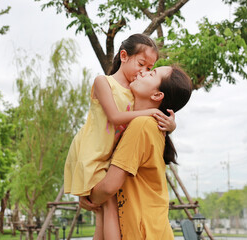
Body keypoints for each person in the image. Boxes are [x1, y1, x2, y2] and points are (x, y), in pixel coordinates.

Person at [64, 34, 176, 240]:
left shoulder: (136, 92)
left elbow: (152, 106)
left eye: (149, 69)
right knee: (107, 204)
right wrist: (149, 113)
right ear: (124, 56)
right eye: (141, 64)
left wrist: (170, 125)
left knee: (106, 209)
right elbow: (116, 117)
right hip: (94, 151)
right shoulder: (103, 82)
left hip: (110, 152)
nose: (144, 72)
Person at [80, 65, 193, 239]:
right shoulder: (143, 124)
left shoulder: (142, 126)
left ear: (157, 95)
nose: (142, 71)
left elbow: (109, 187)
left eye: (152, 72)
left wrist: (88, 195)